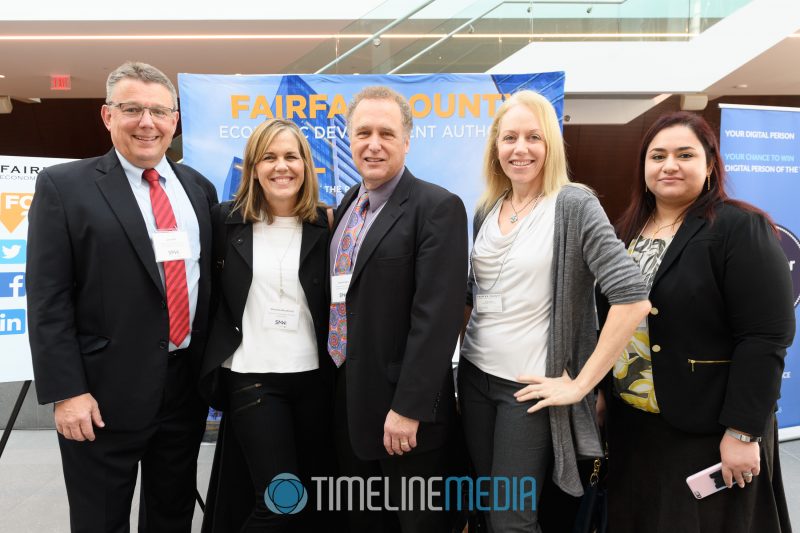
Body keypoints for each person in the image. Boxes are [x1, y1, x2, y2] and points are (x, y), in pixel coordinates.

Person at [26, 61, 218, 532]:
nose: (147, 122)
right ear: (107, 116)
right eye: (132, 109)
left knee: (171, 514)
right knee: (99, 520)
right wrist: (67, 391)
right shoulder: (65, 187)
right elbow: (48, 298)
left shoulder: (198, 189)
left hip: (183, 389)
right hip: (100, 396)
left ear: (175, 119)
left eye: (158, 111)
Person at [458, 89, 651, 532]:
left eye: (533, 137)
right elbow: (478, 292)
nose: (520, 149)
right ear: (495, 147)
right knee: (487, 507)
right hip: (473, 377)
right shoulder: (488, 208)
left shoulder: (574, 205)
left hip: (524, 392)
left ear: (551, 145)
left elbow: (633, 296)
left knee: (512, 520)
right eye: (509, 138)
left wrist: (582, 384)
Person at [598, 111, 795, 532]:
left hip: (708, 428)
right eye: (658, 156)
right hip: (635, 426)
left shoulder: (740, 228)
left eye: (684, 154)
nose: (669, 165)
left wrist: (742, 432)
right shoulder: (626, 232)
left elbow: (765, 337)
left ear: (709, 166)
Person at [328, 86, 468, 532]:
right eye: (362, 132)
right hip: (350, 401)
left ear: (407, 140)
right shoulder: (351, 204)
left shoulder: (436, 207)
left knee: (415, 524)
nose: (373, 144)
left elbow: (438, 317)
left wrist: (409, 408)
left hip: (403, 415)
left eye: (386, 133)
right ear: (349, 140)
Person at [198, 118, 337, 532]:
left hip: (316, 380)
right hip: (253, 379)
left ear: (306, 165)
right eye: (269, 157)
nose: (282, 166)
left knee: (315, 501)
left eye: (291, 156)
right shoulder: (224, 222)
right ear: (253, 168)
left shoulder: (327, 224)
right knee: (281, 503)